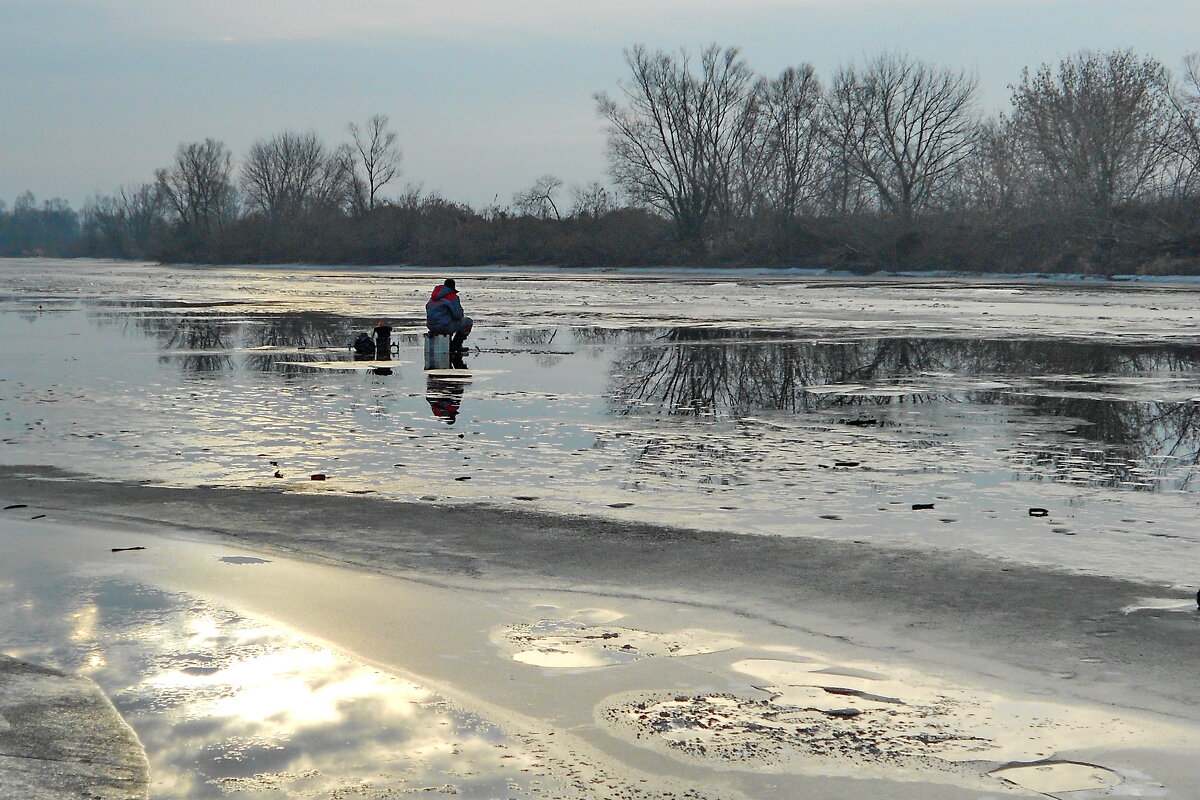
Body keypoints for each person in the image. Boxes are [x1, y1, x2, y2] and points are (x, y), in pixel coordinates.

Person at [425, 278, 472, 354]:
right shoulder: (452, 297)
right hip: (444, 326)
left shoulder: (433, 298)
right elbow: (458, 316)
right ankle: (456, 345)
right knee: (468, 322)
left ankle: (448, 344)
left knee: (447, 320)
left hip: (431, 326)